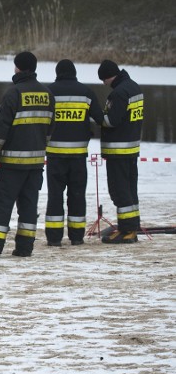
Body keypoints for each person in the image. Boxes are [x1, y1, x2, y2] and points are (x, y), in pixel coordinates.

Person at [0, 52, 54, 259]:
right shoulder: (47, 94)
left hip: (13, 164)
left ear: (17, 68)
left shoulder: (14, 94)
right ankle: (25, 247)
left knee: (0, 204)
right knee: (29, 205)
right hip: (36, 163)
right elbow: (50, 129)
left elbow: (1, 127)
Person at [45, 59, 104, 246]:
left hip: (54, 154)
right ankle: (77, 236)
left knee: (55, 195)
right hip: (78, 155)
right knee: (77, 195)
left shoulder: (49, 92)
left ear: (57, 72)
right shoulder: (86, 92)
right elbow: (100, 118)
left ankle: (54, 238)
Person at [98, 59, 144, 244]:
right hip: (132, 147)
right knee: (130, 189)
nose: (104, 84)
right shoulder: (134, 88)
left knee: (120, 190)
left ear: (109, 77)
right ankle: (132, 226)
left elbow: (112, 121)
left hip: (119, 150)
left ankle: (127, 231)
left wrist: (96, 117)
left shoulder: (119, 93)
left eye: (104, 80)